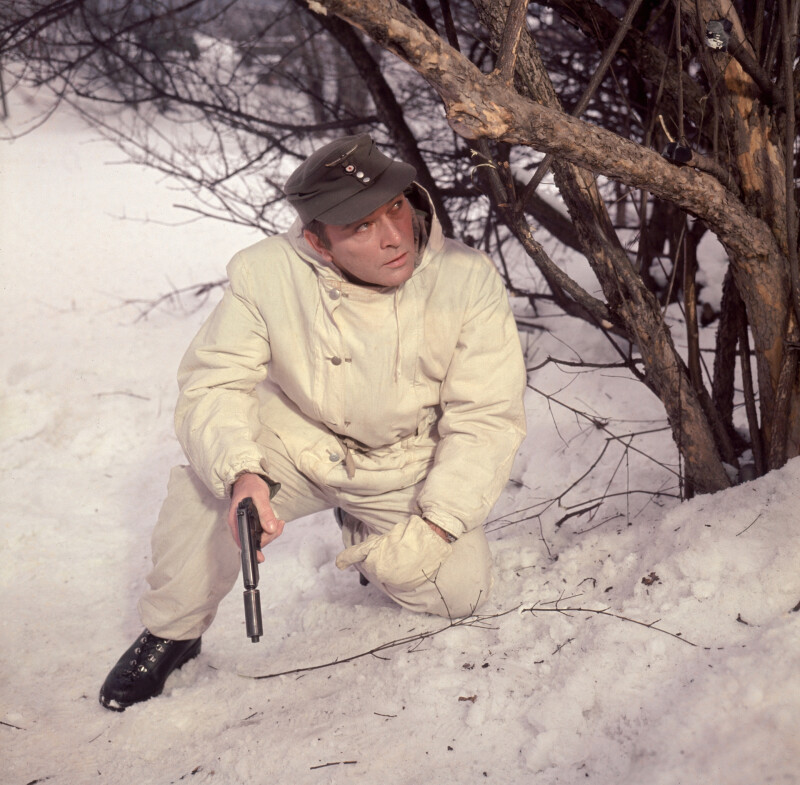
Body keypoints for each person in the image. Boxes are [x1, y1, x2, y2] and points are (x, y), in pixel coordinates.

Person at [99, 134, 527, 711]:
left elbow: (486, 414)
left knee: (458, 593)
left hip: (403, 459)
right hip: (298, 440)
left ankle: (366, 525)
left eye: (395, 208)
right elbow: (214, 383)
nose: (394, 237)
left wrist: (438, 525)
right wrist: (242, 474)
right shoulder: (264, 273)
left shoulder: (467, 277)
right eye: (361, 226)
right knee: (210, 496)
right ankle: (172, 633)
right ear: (318, 243)